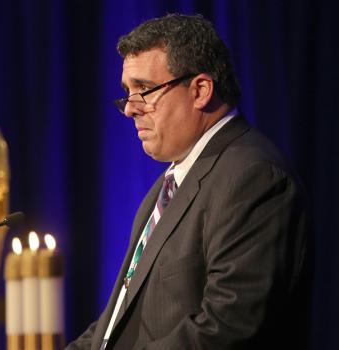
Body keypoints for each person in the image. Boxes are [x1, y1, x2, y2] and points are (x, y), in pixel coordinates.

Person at [66, 14, 311, 349]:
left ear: (200, 90)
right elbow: (118, 320)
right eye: (128, 92)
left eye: (145, 89)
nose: (129, 109)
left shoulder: (252, 177)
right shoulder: (172, 181)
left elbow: (229, 326)